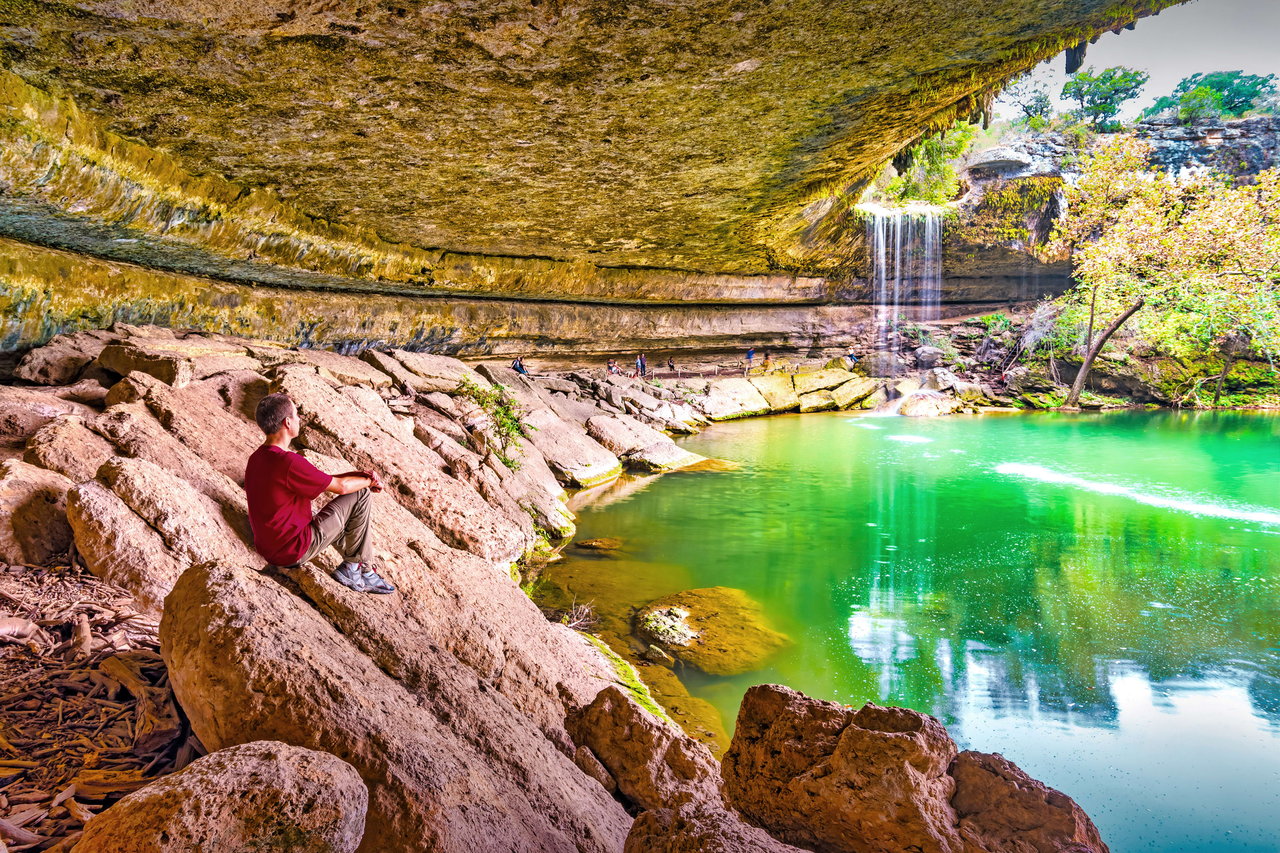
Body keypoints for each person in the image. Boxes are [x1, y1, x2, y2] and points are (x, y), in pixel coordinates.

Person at [244, 393, 395, 594]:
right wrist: (370, 481)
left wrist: (360, 475)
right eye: (296, 415)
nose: (299, 419)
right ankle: (357, 569)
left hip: (271, 547)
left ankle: (363, 568)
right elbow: (341, 487)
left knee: (347, 521)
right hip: (292, 549)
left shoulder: (258, 458)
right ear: (288, 422)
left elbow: (321, 479)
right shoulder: (288, 462)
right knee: (361, 495)